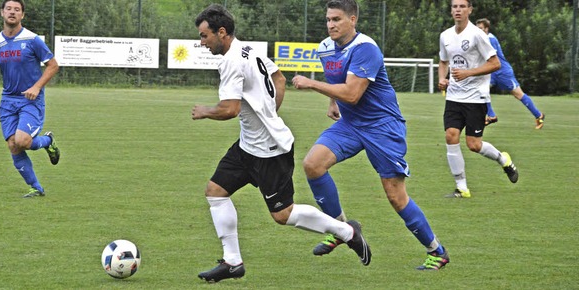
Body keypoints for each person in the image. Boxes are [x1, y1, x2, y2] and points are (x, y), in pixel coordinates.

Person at [191, 4, 370, 283]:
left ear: (221, 33)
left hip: (270, 150)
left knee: (283, 215)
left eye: (204, 36)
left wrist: (205, 111)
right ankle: (232, 262)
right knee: (215, 192)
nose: (202, 43)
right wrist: (270, 112)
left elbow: (229, 109)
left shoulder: (231, 61)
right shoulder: (248, 50)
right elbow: (280, 77)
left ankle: (347, 232)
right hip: (249, 145)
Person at [291, 0, 449, 271]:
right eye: (328, 19)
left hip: (382, 127)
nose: (331, 24)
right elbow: (336, 81)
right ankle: (342, 230)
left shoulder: (366, 49)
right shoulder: (325, 48)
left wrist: (310, 83)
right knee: (312, 165)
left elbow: (352, 94)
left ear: (353, 20)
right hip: (351, 124)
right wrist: (331, 102)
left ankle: (437, 251)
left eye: (337, 19)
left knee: (395, 195)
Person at [438, 0, 519, 199]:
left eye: (462, 6)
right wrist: (442, 78)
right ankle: (462, 187)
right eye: (454, 6)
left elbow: (495, 63)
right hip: (454, 96)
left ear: (470, 10)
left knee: (474, 144)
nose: (457, 10)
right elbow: (443, 61)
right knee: (451, 135)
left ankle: (503, 159)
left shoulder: (478, 35)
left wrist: (469, 73)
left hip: (476, 98)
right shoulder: (445, 35)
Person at [0, 0, 60, 198]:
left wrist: (36, 87)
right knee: (13, 145)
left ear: (22, 16)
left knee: (23, 140)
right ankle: (36, 188)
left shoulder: (32, 39)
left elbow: (52, 65)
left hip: (30, 100)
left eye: (17, 10)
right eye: (9, 9)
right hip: (8, 101)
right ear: (2, 12)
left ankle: (47, 141)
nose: (12, 12)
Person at [475, 18, 545, 129]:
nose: (478, 31)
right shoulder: (482, 39)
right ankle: (491, 116)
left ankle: (539, 115)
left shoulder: (490, 39)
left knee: (518, 95)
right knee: (481, 91)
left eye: (481, 28)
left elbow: (487, 57)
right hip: (492, 72)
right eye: (477, 28)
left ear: (486, 29)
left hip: (503, 71)